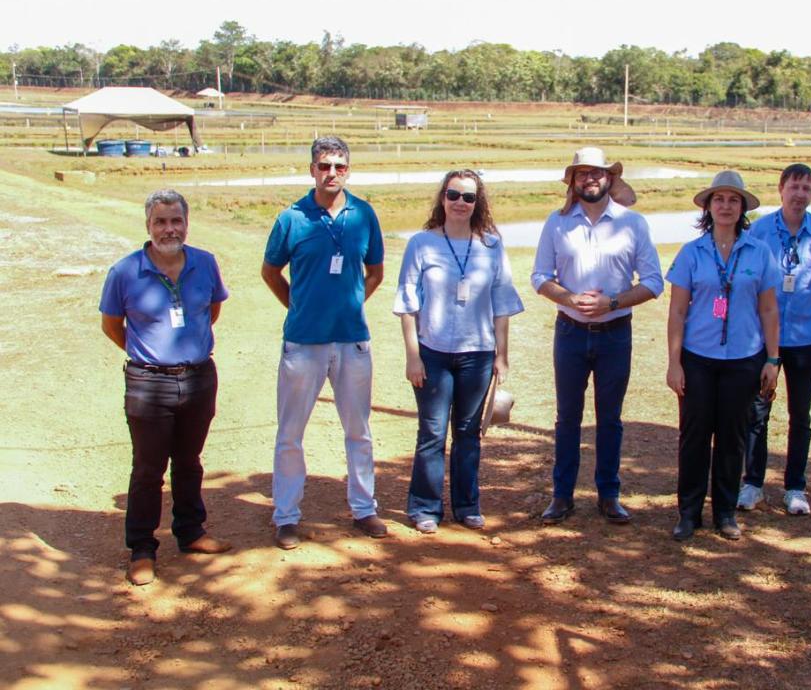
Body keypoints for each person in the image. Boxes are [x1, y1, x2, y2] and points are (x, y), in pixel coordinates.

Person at [99, 190, 231, 586]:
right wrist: (148, 354)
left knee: (189, 461)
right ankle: (141, 548)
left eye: (176, 221)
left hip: (198, 376)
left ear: (186, 224)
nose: (169, 228)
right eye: (161, 221)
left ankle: (191, 532)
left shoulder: (205, 263)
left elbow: (212, 311)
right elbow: (111, 325)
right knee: (148, 468)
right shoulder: (124, 272)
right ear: (148, 226)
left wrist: (185, 350)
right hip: (147, 381)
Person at [261, 136, 387, 549]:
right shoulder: (292, 218)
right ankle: (286, 516)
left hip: (352, 341)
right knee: (290, 432)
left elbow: (375, 272)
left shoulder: (363, 215)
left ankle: (364, 509)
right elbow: (270, 271)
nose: (331, 173)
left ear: (349, 170)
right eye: (324, 166)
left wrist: (349, 304)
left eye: (339, 166)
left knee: (359, 430)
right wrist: (298, 306)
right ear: (311, 169)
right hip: (303, 342)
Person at [531, 147, 664, 525]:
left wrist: (613, 302)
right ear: (573, 181)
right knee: (567, 417)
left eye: (598, 173)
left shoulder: (633, 224)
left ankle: (609, 494)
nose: (591, 179)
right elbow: (540, 276)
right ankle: (562, 495)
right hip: (570, 331)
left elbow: (653, 282)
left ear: (610, 179)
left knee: (610, 419)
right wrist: (569, 297)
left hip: (615, 333)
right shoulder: (556, 224)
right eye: (583, 173)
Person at [394, 169, 524, 534]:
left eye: (469, 197)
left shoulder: (492, 245)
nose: (460, 203)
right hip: (432, 352)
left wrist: (502, 354)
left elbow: (501, 302)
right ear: (442, 198)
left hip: (478, 353)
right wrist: (412, 356)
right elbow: (407, 304)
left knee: (468, 433)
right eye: (454, 195)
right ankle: (424, 508)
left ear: (477, 203)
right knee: (432, 433)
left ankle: (467, 506)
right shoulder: (421, 244)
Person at [666, 171, 780, 541]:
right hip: (698, 358)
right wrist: (674, 362)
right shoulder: (692, 252)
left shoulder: (759, 252)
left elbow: (768, 311)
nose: (726, 206)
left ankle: (726, 512)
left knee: (733, 438)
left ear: (743, 207)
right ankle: (688, 512)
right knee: (694, 436)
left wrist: (772, 359)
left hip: (744, 359)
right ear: (708, 206)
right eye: (720, 200)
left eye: (734, 200)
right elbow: (678, 312)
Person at [740, 164, 811, 516]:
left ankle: (795, 487)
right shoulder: (759, 231)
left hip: (806, 337)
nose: (799, 194)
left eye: (806, 188)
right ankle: (752, 483)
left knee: (801, 413)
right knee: (756, 410)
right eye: (793, 186)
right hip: (763, 338)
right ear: (780, 189)